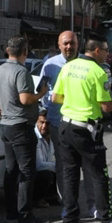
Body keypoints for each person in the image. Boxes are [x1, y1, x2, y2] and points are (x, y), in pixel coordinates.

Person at [52, 35, 112, 223]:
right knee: (99, 175)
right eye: (106, 50)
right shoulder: (98, 72)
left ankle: (71, 220)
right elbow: (107, 106)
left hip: (66, 126)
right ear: (97, 51)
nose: (109, 55)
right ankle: (107, 222)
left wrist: (76, 99)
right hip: (87, 129)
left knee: (70, 174)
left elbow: (56, 97)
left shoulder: (68, 67)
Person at [0, 36, 48, 223]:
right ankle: (25, 216)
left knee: (11, 170)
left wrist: (0, 104)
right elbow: (25, 99)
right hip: (21, 126)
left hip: (5, 126)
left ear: (7, 50)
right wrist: (41, 93)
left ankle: (12, 213)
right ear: (25, 52)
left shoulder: (0, 69)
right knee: (27, 172)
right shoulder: (21, 72)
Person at [39, 31, 79, 211]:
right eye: (65, 44)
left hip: (80, 121)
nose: (69, 47)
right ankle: (68, 203)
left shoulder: (84, 64)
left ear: (78, 44)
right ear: (59, 45)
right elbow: (41, 90)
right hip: (57, 121)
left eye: (72, 43)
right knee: (63, 163)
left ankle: (85, 201)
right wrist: (42, 114)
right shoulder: (50, 65)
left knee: (81, 163)